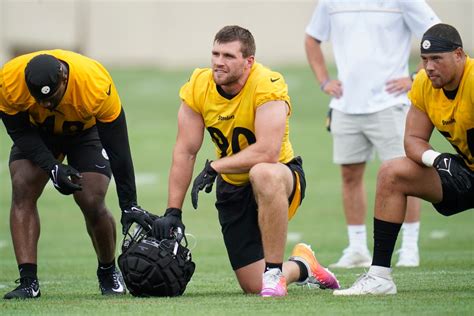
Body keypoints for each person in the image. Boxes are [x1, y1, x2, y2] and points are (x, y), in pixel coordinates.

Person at [151, 25, 340, 297]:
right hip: (233, 186)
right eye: (215, 53)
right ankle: (304, 265)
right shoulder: (199, 85)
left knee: (263, 173)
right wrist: (173, 212)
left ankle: (274, 272)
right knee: (253, 285)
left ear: (248, 62)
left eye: (228, 55)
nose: (218, 61)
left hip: (282, 176)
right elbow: (185, 150)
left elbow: (268, 152)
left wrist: (215, 166)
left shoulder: (267, 83)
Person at [0, 50, 155, 299]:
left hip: (84, 132)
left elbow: (118, 147)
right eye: (40, 99)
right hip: (37, 133)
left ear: (63, 78)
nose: (47, 104)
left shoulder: (94, 82)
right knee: (22, 185)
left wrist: (129, 205)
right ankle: (28, 281)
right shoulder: (8, 81)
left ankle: (107, 270)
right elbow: (19, 132)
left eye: (53, 97)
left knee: (91, 197)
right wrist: (52, 167)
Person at [333, 23, 473, 295]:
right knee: (392, 173)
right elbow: (413, 140)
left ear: (459, 55)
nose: (429, 67)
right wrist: (438, 159)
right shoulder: (424, 83)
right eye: (424, 59)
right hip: (465, 172)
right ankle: (380, 277)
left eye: (437, 59)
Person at [305, 0, 440, 268]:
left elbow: (437, 33)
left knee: (406, 174)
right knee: (349, 176)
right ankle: (357, 249)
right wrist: (324, 80)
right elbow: (312, 39)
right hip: (346, 105)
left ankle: (410, 247)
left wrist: (415, 77)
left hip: (391, 104)